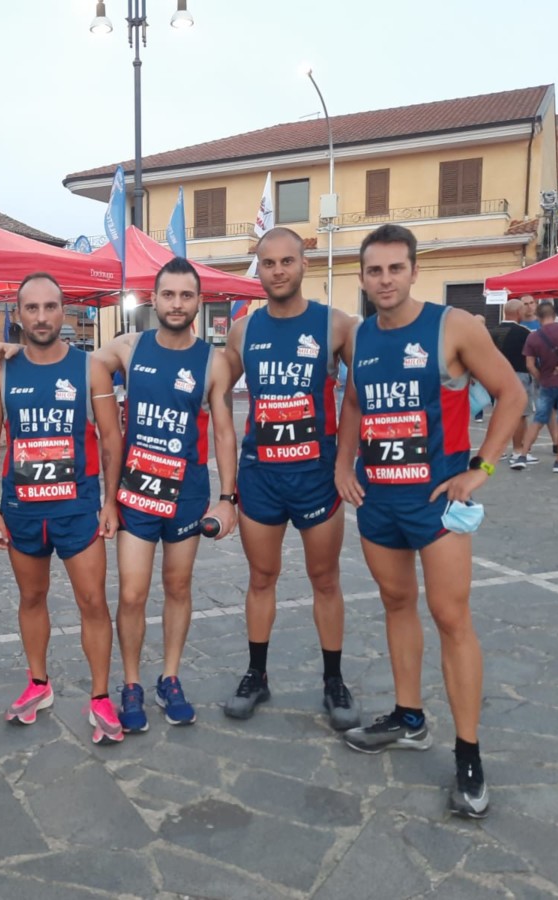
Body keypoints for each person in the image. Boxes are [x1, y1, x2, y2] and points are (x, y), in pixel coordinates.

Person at [335, 224, 524, 820]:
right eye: (374, 270)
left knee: (451, 617)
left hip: (436, 503)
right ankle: (409, 717)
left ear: (414, 271)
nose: (385, 280)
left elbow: (512, 394)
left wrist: (480, 469)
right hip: (379, 501)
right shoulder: (361, 336)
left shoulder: (453, 326)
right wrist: (342, 463)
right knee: (396, 604)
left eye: (396, 268)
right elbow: (354, 403)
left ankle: (468, 754)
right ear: (363, 278)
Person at [222, 226, 360, 731]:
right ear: (258, 269)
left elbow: (361, 392)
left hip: (316, 476)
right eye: (268, 263)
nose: (278, 271)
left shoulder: (337, 325)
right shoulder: (242, 331)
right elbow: (210, 381)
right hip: (260, 476)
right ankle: (256, 675)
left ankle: (333, 680)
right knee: (261, 579)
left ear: (304, 264)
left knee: (325, 579)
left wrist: (345, 462)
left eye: (287, 261)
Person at [0, 272, 125, 745]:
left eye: (50, 307)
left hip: (77, 509)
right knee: (31, 598)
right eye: (32, 308)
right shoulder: (1, 371)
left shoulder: (90, 369)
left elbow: (111, 439)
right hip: (22, 509)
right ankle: (39, 684)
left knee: (93, 602)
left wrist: (110, 501)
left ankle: (100, 696)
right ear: (18, 315)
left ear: (65, 311)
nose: (42, 317)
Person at [93, 257, 238, 731]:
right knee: (132, 592)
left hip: (186, 494)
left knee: (178, 587)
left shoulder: (212, 361)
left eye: (186, 295)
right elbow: (77, 362)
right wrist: (13, 348)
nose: (177, 304)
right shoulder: (129, 347)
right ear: (152, 299)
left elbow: (223, 433)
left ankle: (170, 678)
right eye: (168, 294)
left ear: (199, 301)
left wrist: (228, 498)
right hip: (136, 492)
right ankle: (131, 683)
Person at [513, 302, 558, 473]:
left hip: (547, 383)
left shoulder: (533, 337)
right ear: (554, 315)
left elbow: (529, 365)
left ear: (538, 317)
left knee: (538, 419)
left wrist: (541, 378)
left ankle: (522, 455)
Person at [488, 299, 537, 466]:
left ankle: (498, 450)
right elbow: (532, 358)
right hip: (519, 376)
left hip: (497, 376)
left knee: (500, 413)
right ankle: (517, 451)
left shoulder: (493, 331)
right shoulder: (524, 333)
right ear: (518, 312)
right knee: (520, 415)